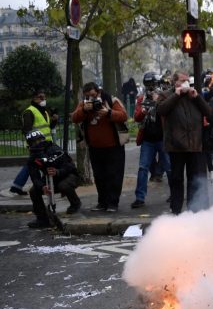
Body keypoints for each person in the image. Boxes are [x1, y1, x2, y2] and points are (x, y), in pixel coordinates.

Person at [70, 82, 128, 213]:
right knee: (99, 176)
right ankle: (102, 202)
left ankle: (113, 203)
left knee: (114, 176)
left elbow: (123, 116)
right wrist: (85, 109)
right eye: (87, 96)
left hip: (114, 147)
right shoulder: (84, 104)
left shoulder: (110, 100)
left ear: (99, 92)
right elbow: (74, 117)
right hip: (95, 148)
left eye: (93, 95)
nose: (91, 98)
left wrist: (108, 113)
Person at [158, 71, 211, 214]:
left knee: (194, 179)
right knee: (176, 179)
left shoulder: (193, 95)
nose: (185, 83)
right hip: (176, 146)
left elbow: (209, 113)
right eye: (182, 80)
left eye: (187, 80)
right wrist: (176, 94)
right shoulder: (166, 95)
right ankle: (176, 210)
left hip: (194, 144)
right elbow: (161, 110)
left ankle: (193, 210)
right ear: (175, 82)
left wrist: (197, 98)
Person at [25, 131, 81, 228]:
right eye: (33, 142)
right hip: (49, 178)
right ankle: (42, 219)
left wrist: (58, 171)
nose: (37, 143)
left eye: (39, 140)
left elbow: (70, 166)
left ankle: (75, 203)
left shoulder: (54, 149)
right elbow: (35, 177)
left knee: (63, 185)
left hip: (68, 175)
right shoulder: (32, 158)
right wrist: (42, 187)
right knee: (34, 191)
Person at [131, 73, 170, 208]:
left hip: (162, 138)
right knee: (143, 168)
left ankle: (175, 193)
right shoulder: (141, 98)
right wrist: (144, 110)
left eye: (152, 84)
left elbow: (168, 113)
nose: (150, 87)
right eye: (148, 85)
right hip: (148, 139)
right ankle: (140, 197)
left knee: (169, 167)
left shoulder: (163, 96)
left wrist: (157, 101)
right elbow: (136, 117)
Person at [10, 90, 58, 196]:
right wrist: (33, 143)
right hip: (37, 145)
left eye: (44, 97)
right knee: (38, 164)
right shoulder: (29, 111)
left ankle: (17, 186)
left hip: (47, 143)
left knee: (32, 164)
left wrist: (54, 120)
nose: (43, 99)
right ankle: (43, 186)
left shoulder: (44, 111)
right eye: (40, 97)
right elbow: (26, 130)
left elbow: (49, 127)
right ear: (34, 98)